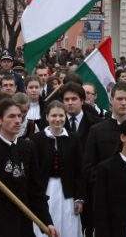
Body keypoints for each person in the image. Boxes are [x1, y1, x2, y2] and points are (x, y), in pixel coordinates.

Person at [0, 99, 58, 237]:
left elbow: (36, 191)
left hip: (22, 224)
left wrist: (47, 221)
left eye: (20, 116)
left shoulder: (28, 147)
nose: (18, 120)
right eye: (12, 116)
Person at [32, 101, 83, 237]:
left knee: (68, 227)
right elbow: (34, 171)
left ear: (65, 116)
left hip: (68, 193)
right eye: (54, 115)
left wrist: (79, 197)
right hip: (45, 192)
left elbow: (79, 170)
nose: (58, 119)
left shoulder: (74, 138)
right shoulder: (37, 140)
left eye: (61, 115)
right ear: (47, 117)